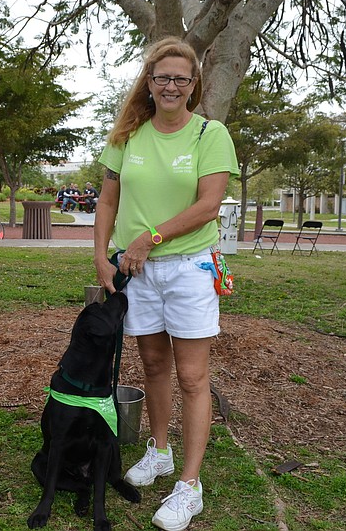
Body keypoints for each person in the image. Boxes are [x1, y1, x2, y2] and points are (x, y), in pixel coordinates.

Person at [93, 37, 238, 530]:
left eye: (182, 78)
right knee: (154, 364)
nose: (172, 85)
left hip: (190, 266)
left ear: (193, 85)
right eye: (162, 78)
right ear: (149, 84)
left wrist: (148, 239)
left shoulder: (208, 134)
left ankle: (189, 487)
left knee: (194, 377)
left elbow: (207, 206)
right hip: (136, 269)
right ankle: (159, 451)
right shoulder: (127, 135)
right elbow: (108, 202)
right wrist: (100, 257)